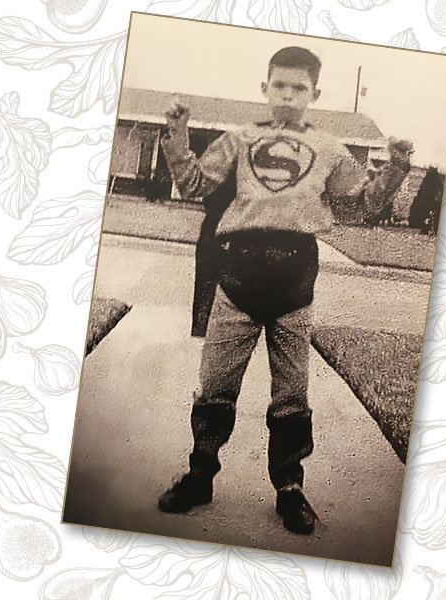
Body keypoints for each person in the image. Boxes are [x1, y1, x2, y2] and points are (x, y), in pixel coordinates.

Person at [157, 46, 367, 535]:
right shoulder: (239, 138)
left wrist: (397, 164)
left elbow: (360, 204)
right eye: (280, 86)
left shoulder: (333, 149)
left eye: (299, 89)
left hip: (296, 283)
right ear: (265, 88)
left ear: (315, 94)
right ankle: (200, 473)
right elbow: (192, 185)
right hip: (237, 279)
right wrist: (178, 133)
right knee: (215, 386)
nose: (289, 96)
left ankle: (290, 488)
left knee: (292, 394)